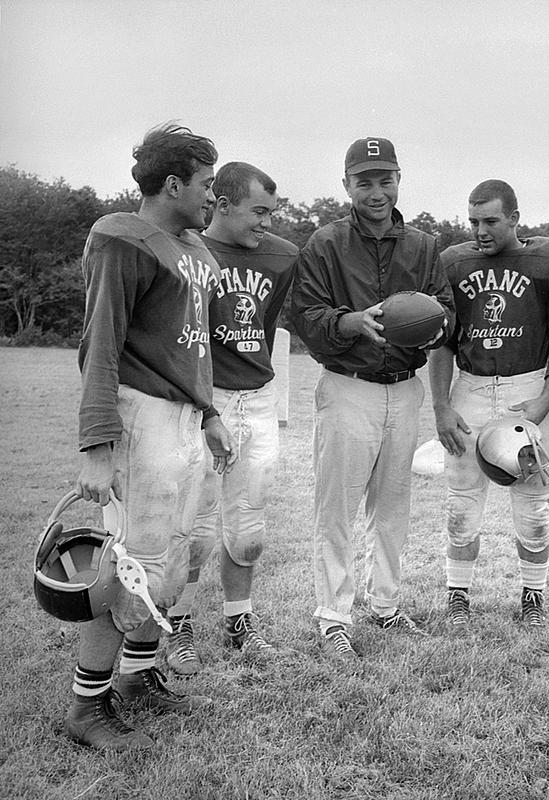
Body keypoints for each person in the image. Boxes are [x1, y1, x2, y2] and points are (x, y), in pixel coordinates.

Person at [68, 123, 236, 750]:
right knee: (130, 563)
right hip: (141, 415)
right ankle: (87, 707)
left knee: (176, 558)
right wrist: (97, 444)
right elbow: (101, 344)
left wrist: (211, 413)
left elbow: (190, 350)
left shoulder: (197, 251)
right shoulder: (122, 237)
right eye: (205, 184)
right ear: (173, 183)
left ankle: (137, 679)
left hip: (185, 419)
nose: (212, 198)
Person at [290, 137, 455, 659]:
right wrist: (354, 322)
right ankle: (333, 616)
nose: (376, 191)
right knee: (336, 506)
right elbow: (306, 316)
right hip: (348, 387)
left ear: (399, 181)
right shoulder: (325, 243)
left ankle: (386, 605)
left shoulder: (425, 247)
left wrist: (435, 328)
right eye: (365, 181)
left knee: (393, 506)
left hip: (405, 389)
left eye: (385, 179)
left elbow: (445, 310)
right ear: (347, 185)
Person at [164, 162, 298, 674]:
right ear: (222, 204)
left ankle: (240, 621)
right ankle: (178, 622)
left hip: (257, 397)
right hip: (203, 397)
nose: (266, 222)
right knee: (194, 525)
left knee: (249, 525)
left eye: (271, 211)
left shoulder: (282, 256)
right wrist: (204, 405)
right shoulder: (188, 248)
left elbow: (265, 325)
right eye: (258, 211)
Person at [428, 180, 549, 632]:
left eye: (490, 221)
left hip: (523, 385)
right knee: (462, 499)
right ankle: (458, 594)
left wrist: (548, 397)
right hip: (469, 386)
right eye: (473, 222)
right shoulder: (454, 260)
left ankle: (532, 595)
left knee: (533, 501)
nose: (481, 231)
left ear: (514, 217)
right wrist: (441, 407)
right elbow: (442, 343)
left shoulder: (548, 258)